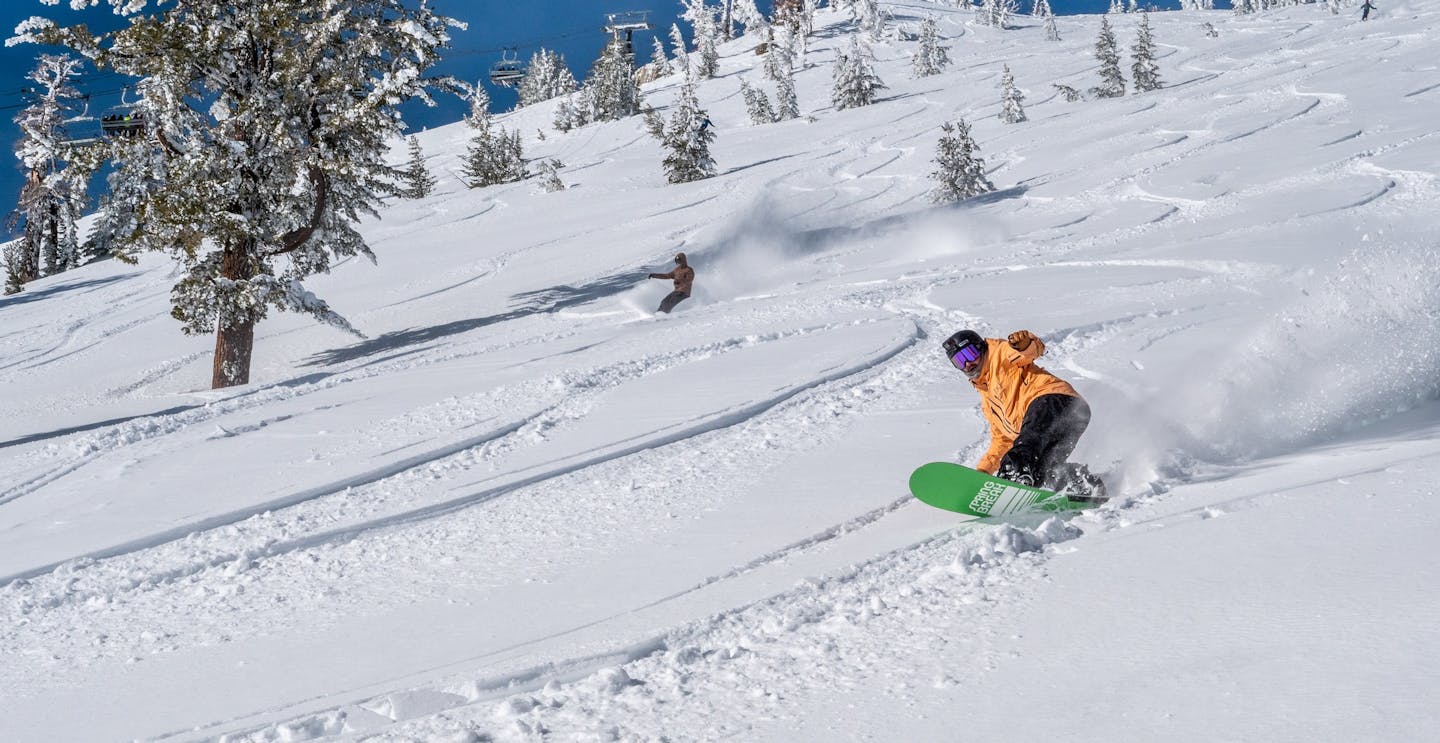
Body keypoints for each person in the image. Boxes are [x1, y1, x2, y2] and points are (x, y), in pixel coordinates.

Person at [942, 328, 1105, 499]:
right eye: (959, 361)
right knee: (1043, 469)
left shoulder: (999, 353)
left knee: (1024, 450)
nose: (967, 363)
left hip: (1055, 401)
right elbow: (1002, 441)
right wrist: (983, 471)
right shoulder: (988, 402)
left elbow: (1030, 352)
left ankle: (1013, 480)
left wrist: (1026, 344)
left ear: (981, 347)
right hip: (1074, 419)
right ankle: (1083, 485)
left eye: (970, 354)